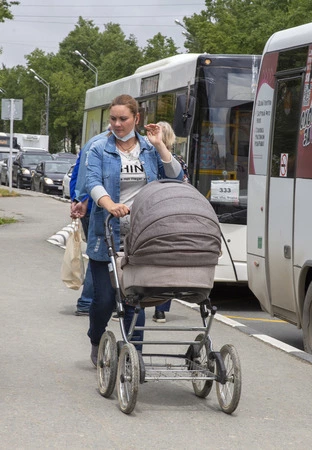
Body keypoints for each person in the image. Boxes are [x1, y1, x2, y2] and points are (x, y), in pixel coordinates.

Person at [85, 94, 184, 366]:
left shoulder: (149, 149)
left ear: (136, 119)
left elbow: (176, 177)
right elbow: (92, 182)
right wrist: (110, 204)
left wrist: (160, 145)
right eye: (113, 119)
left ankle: (134, 355)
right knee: (105, 299)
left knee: (135, 299)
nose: (117, 124)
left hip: (142, 234)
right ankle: (96, 338)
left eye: (123, 119)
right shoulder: (99, 148)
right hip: (106, 233)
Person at [69, 130, 109, 316]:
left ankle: (93, 301)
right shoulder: (105, 145)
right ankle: (87, 302)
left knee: (97, 253)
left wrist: (75, 199)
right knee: (100, 255)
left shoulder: (91, 142)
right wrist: (84, 200)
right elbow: (91, 178)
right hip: (98, 207)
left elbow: (76, 172)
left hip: (86, 204)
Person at [151, 121, 188, 323]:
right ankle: (161, 309)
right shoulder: (178, 161)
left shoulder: (146, 157)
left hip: (148, 214)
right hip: (170, 217)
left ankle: (129, 303)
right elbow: (184, 186)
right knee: (166, 264)